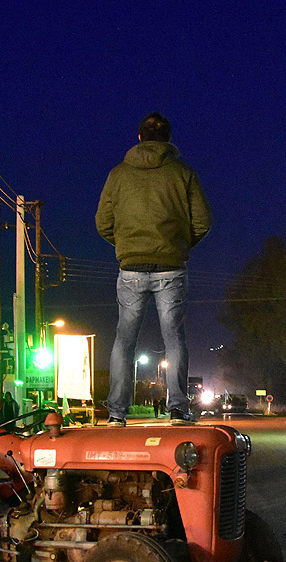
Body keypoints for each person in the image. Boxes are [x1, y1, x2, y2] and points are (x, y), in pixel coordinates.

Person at [96, 112, 211, 426]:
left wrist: (128, 245)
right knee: (174, 338)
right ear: (169, 140)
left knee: (124, 340)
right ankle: (177, 409)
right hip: (171, 269)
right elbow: (202, 222)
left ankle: (117, 413)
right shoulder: (183, 173)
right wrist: (177, 245)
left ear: (139, 138)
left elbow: (103, 224)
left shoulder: (117, 174)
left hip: (130, 269)